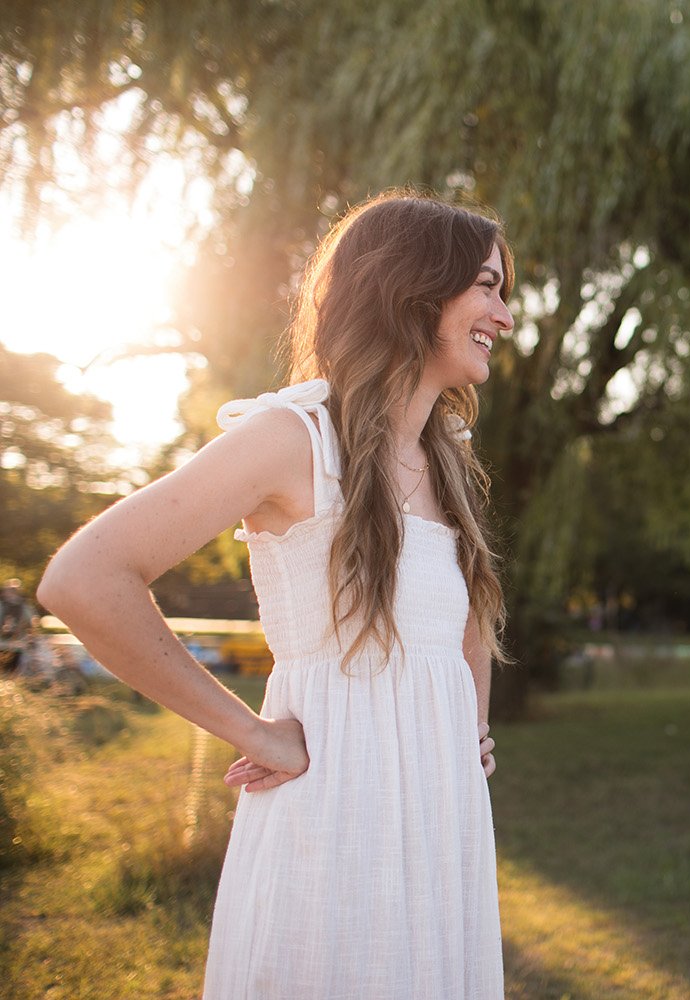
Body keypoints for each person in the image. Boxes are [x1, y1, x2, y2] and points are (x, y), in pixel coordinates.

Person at [39, 191, 515, 998]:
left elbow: (463, 620)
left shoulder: (448, 461)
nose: (504, 315)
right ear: (411, 289)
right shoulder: (290, 440)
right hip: (332, 812)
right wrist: (256, 735)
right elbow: (84, 578)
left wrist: (466, 725)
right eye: (487, 286)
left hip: (442, 822)